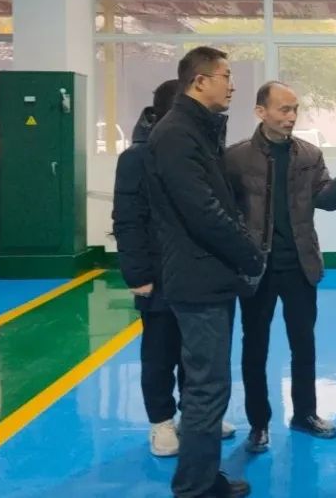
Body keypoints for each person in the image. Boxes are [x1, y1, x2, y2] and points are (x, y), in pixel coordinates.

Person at [224, 81, 336, 453]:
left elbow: (325, 199)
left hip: (299, 266)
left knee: (303, 344)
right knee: (254, 347)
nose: (291, 116)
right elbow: (225, 210)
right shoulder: (235, 158)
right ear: (261, 112)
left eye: (295, 109)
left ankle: (305, 414)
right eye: (283, 109)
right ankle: (258, 424)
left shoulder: (308, 154)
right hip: (256, 269)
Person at [145, 46, 263, 498]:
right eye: (226, 76)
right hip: (197, 279)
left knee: (210, 386)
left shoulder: (197, 129)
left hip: (208, 275)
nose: (232, 85)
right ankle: (194, 487)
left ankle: (204, 475)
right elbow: (204, 212)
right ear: (200, 81)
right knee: (206, 389)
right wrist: (250, 254)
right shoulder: (177, 134)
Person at [112, 79, 237, 458]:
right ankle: (161, 421)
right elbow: (127, 219)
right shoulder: (137, 157)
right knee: (160, 351)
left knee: (196, 351)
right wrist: (138, 274)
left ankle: (194, 415)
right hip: (159, 274)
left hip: (197, 270)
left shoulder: (204, 150)